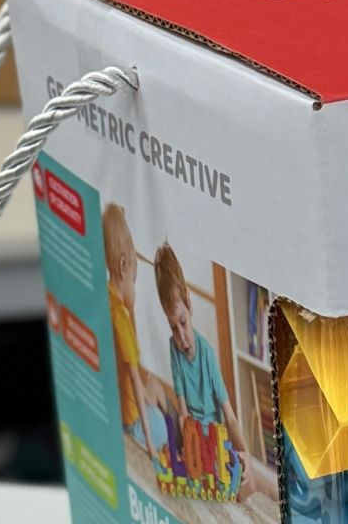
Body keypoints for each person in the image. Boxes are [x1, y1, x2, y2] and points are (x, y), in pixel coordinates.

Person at [153, 241, 253, 500]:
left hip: (212, 437)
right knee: (152, 387)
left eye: (183, 323)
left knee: (238, 481)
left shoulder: (207, 354)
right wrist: (186, 436)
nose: (181, 337)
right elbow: (182, 408)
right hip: (190, 432)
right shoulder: (173, 347)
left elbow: (229, 416)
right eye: (173, 327)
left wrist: (246, 455)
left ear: (189, 305)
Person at [104, 204, 154, 458]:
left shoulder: (106, 296)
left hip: (118, 406)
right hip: (132, 423)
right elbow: (134, 379)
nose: (134, 287)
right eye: (134, 280)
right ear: (123, 266)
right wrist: (150, 445)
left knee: (152, 387)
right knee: (165, 417)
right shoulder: (121, 317)